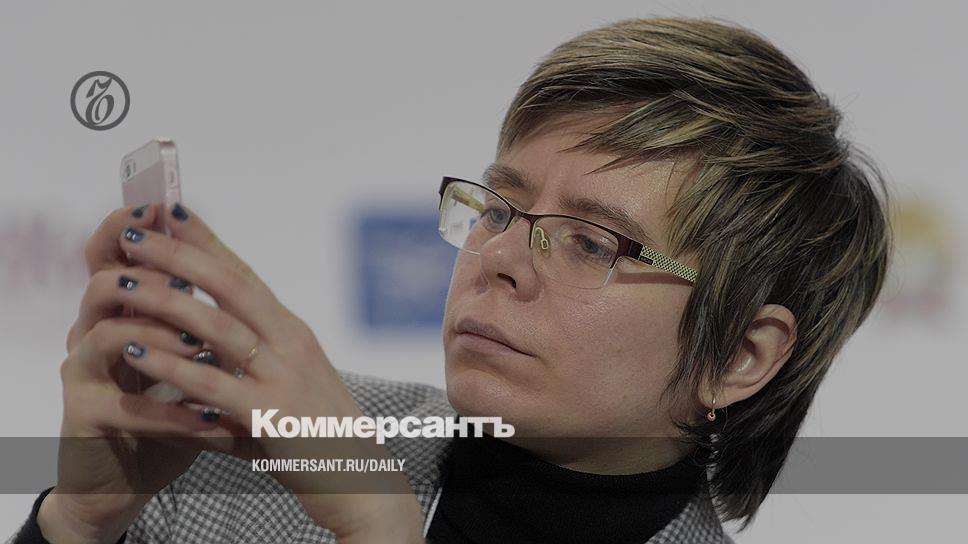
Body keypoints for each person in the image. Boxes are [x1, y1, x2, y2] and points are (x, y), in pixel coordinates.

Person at [10, 16, 892, 544]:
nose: (499, 257)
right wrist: (76, 526)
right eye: (499, 208)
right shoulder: (263, 443)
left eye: (592, 243)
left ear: (738, 356)